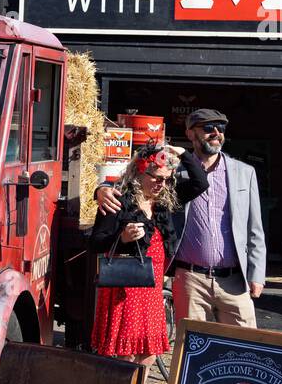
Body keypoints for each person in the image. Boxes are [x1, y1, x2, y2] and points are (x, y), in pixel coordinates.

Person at [97, 108, 266, 328]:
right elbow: (134, 180)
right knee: (191, 350)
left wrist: (257, 273)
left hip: (234, 280)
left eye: (221, 128)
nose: (216, 133)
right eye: (207, 128)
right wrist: (101, 189)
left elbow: (255, 228)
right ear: (190, 134)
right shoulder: (172, 174)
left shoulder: (245, 172)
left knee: (244, 348)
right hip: (190, 278)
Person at [90, 142, 209, 366]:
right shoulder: (118, 200)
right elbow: (96, 242)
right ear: (139, 172)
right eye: (155, 177)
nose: (160, 184)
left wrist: (183, 153)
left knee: (148, 355)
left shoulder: (166, 202)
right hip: (124, 289)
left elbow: (200, 183)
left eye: (166, 179)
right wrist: (122, 239)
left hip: (151, 289)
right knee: (126, 357)